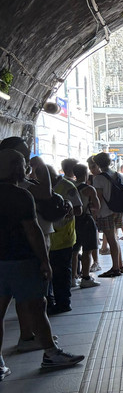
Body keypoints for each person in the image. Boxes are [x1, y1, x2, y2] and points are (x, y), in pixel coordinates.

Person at [0, 149, 84, 377]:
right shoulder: (20, 195)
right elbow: (32, 230)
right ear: (17, 168)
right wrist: (45, 261)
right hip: (22, 259)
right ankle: (51, 354)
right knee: (37, 306)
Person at [46, 165, 82, 314]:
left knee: (61, 272)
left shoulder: (67, 187)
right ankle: (52, 301)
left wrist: (65, 212)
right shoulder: (42, 188)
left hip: (63, 238)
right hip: (49, 239)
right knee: (51, 272)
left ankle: (63, 302)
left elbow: (78, 209)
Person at [90, 153, 123, 276]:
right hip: (118, 210)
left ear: (97, 164)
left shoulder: (99, 178)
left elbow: (98, 198)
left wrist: (94, 213)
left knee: (111, 240)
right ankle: (120, 265)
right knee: (115, 238)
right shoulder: (118, 175)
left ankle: (115, 268)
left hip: (105, 212)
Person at [69, 162, 101, 288]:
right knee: (87, 250)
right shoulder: (89, 189)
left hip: (73, 221)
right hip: (86, 220)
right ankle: (86, 278)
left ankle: (73, 278)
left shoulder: (69, 186)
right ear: (85, 174)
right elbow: (97, 206)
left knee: (74, 251)